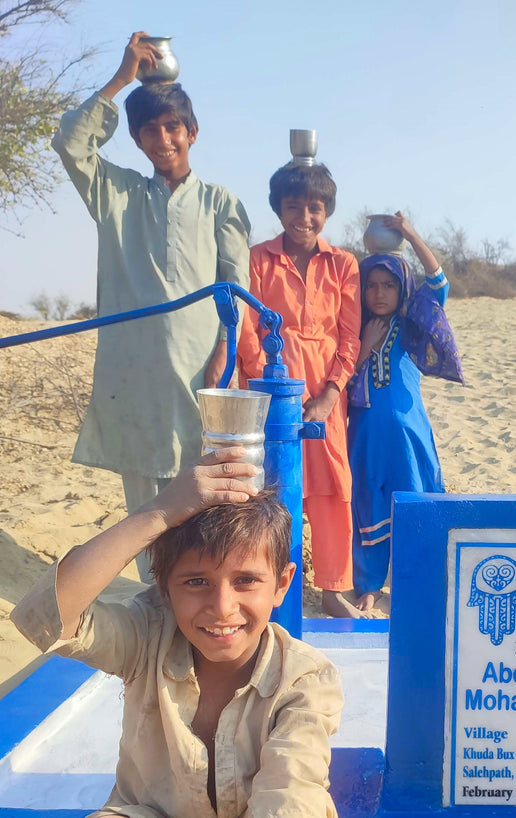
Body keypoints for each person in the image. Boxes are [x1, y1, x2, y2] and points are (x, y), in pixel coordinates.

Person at [11, 448, 343, 817]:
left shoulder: (303, 678)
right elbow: (44, 617)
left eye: (246, 580)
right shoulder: (146, 637)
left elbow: (290, 796)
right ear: (165, 590)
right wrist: (160, 511)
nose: (222, 606)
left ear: (282, 584)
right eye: (197, 581)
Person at [52, 32, 250, 581]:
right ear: (136, 140)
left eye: (172, 128)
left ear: (192, 132)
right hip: (135, 381)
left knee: (205, 510)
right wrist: (121, 79)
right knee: (146, 515)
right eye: (149, 131)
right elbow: (70, 142)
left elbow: (237, 291)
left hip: (199, 382)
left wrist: (224, 353)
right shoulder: (115, 194)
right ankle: (155, 618)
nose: (163, 139)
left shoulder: (220, 203)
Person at [236, 162, 360, 618]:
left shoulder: (343, 264)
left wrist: (329, 394)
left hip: (327, 396)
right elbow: (249, 325)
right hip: (271, 387)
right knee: (274, 487)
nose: (304, 217)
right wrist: (265, 381)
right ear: (278, 208)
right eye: (294, 206)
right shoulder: (257, 259)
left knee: (332, 488)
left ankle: (332, 587)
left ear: (326, 211)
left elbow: (349, 335)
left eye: (314, 207)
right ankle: (272, 584)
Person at [348, 213, 462, 613]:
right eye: (371, 286)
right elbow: (337, 377)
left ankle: (416, 580)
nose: (379, 294)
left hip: (409, 435)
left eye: (389, 285)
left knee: (415, 502)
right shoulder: (350, 329)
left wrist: (410, 233)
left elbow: (439, 282)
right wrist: (362, 347)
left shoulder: (414, 323)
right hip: (365, 435)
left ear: (402, 288)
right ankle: (368, 585)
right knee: (368, 503)